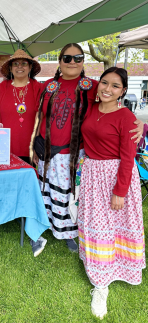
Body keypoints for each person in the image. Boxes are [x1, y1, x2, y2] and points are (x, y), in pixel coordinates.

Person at [31, 43, 143, 254]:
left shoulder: (93, 86)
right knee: (48, 192)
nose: (72, 62)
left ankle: (71, 234)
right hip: (46, 152)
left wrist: (140, 124)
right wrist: (35, 147)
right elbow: (40, 116)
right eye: (67, 58)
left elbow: (111, 110)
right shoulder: (47, 86)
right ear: (60, 61)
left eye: (77, 57)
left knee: (70, 195)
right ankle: (51, 226)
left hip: (73, 155)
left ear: (83, 61)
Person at [78, 67, 145, 319]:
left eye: (115, 86)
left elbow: (129, 157)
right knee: (98, 226)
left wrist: (120, 191)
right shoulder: (92, 108)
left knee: (113, 226)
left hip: (115, 174)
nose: (107, 89)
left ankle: (103, 284)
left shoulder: (126, 116)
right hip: (92, 174)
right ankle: (99, 273)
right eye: (104, 83)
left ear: (124, 91)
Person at [0, 49, 45, 255]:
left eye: (24, 63)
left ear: (30, 67)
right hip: (3, 147)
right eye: (15, 64)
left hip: (30, 148)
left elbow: (45, 117)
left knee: (29, 188)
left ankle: (32, 229)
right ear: (10, 69)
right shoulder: (2, 88)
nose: (19, 67)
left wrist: (40, 145)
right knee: (1, 182)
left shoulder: (39, 88)